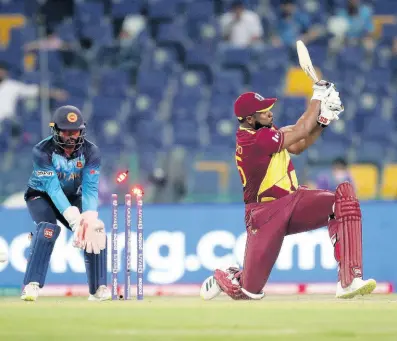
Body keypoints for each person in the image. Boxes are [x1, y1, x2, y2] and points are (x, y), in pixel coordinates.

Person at [200, 82, 376, 300]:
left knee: (343, 200)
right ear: (248, 119)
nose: (269, 113)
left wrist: (323, 120)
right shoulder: (254, 140)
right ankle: (227, 275)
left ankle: (349, 281)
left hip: (294, 200)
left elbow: (298, 145)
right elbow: (302, 129)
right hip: (265, 214)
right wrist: (318, 97)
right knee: (248, 292)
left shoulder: (264, 131)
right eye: (263, 112)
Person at [21, 105, 108, 302]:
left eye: (75, 131)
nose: (71, 136)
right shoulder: (42, 151)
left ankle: (98, 289)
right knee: (47, 230)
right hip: (40, 194)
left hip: (72, 195)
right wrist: (74, 220)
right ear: (56, 130)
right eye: (66, 131)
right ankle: (31, 285)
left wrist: (88, 217)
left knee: (94, 230)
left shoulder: (91, 151)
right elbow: (52, 189)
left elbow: (90, 189)